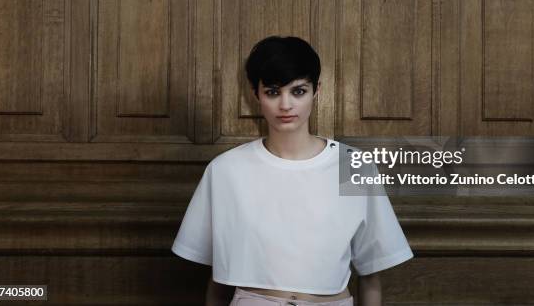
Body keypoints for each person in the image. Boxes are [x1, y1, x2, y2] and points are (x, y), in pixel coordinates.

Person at [172, 36, 413, 305]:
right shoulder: (226, 170)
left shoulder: (352, 166)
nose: (285, 105)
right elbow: (217, 280)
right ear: (255, 94)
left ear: (316, 90)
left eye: (298, 91)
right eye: (273, 92)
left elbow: (370, 275)